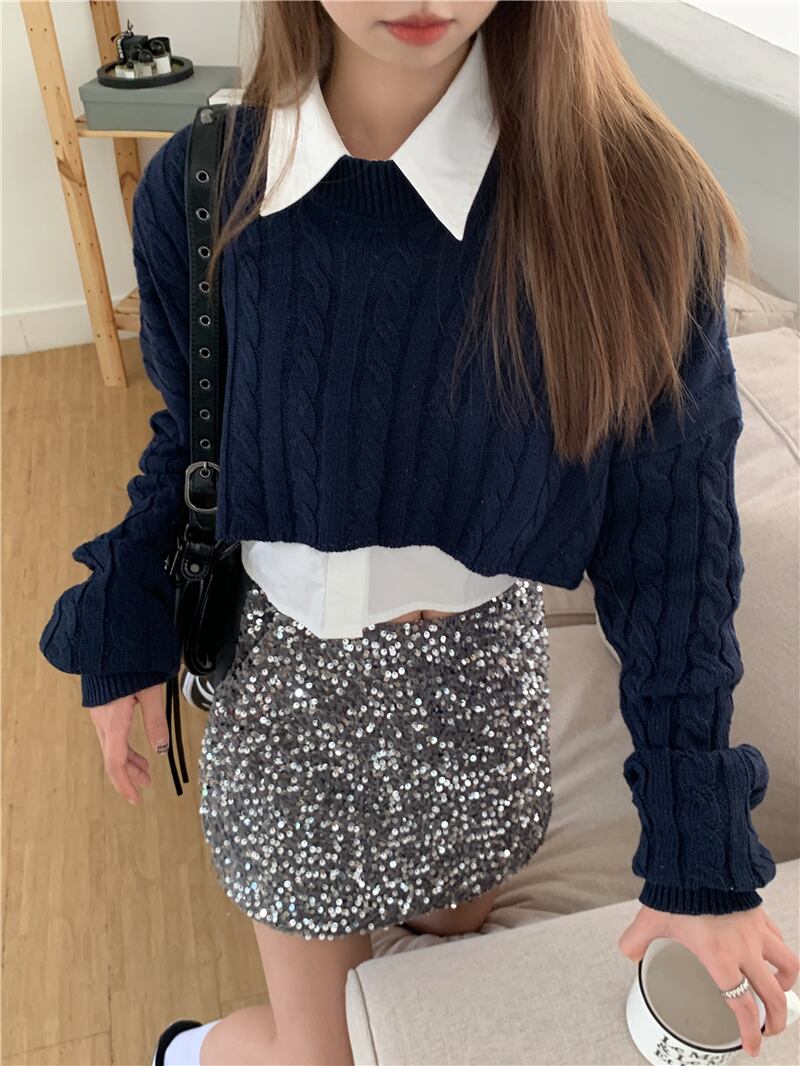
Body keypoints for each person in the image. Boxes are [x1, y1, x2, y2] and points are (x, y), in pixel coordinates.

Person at [38, 3, 799, 1065]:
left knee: (449, 936)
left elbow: (674, 544)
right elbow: (195, 435)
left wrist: (700, 847)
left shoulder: (631, 200)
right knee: (322, 1057)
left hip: (480, 695)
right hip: (288, 701)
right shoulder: (203, 185)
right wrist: (127, 616)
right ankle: (193, 1049)